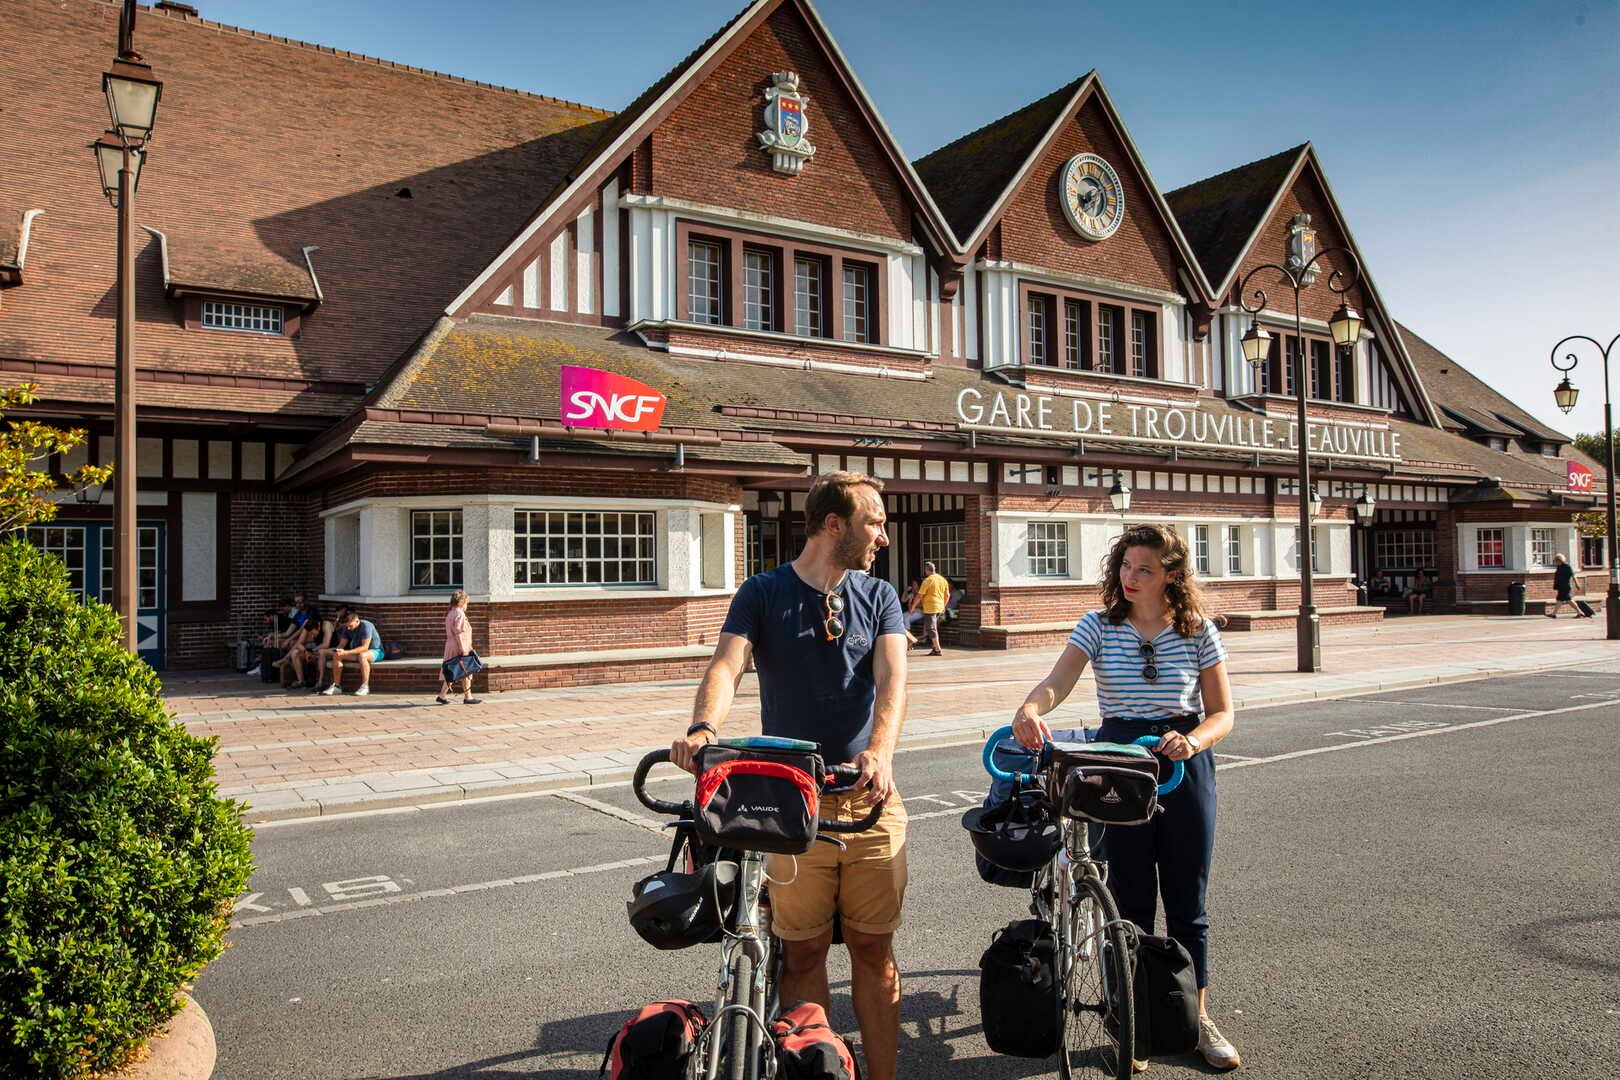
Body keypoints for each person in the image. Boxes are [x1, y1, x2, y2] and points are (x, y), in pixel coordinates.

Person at [669, 471, 908, 1080]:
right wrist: (701, 729)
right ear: (835, 525)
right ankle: (816, 1071)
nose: (882, 534)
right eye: (874, 521)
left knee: (874, 951)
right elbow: (728, 665)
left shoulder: (878, 596)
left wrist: (879, 750)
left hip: (867, 799)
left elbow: (892, 683)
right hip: (789, 802)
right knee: (801, 953)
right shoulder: (763, 592)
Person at [1011, 523, 1240, 1071]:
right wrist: (1031, 708)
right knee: (1131, 900)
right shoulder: (1097, 625)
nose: (1130, 577)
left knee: (1189, 902)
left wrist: (1193, 741)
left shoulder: (1198, 630)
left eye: (1145, 570)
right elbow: (1058, 681)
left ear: (1173, 576)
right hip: (1119, 761)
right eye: (1126, 566)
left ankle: (1193, 1017)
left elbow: (1224, 713)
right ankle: (1131, 1017)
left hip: (1183, 760)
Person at [318, 610, 383, 696]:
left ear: (357, 621)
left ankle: (365, 687)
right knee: (337, 655)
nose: (348, 628)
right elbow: (341, 645)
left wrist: (346, 652)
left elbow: (365, 647)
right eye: (347, 626)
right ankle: (337, 686)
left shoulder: (366, 625)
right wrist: (336, 651)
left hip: (375, 651)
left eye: (350, 626)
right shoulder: (347, 627)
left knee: (362, 656)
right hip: (356, 652)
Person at [437, 590, 481, 704]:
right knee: (465, 670)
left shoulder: (451, 613)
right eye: (466, 603)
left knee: (452, 670)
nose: (467, 606)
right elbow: (459, 633)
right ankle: (468, 697)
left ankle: (442, 695)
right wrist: (463, 649)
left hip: (451, 644)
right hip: (459, 645)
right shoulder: (459, 614)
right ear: (462, 602)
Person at [912, 561, 950, 656]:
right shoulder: (942, 580)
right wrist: (943, 606)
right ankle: (934, 648)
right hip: (939, 607)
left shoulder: (927, 580)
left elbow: (920, 596)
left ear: (926, 570)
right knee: (935, 627)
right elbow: (948, 595)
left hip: (930, 607)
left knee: (931, 628)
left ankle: (937, 649)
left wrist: (913, 606)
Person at [1545, 553, 1586, 617]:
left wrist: (1577, 584)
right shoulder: (1559, 567)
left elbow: (1573, 575)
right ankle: (1579, 612)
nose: (1555, 562)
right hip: (1561, 586)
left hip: (1565, 586)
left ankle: (1580, 612)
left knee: (1564, 600)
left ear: (1559, 560)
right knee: (1564, 600)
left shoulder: (1567, 566)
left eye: (1555, 561)